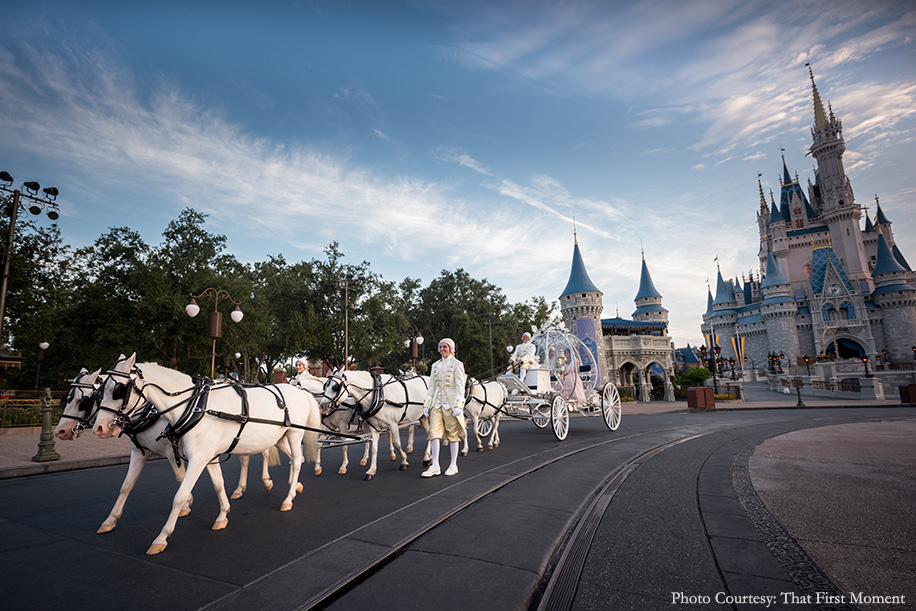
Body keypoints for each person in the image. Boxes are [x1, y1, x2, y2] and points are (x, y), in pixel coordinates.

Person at [422, 338, 467, 477]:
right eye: (440, 347)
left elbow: (460, 386)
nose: (442, 349)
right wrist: (427, 404)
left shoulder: (457, 364)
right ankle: (435, 465)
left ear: (451, 348)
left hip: (451, 405)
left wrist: (459, 404)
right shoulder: (435, 365)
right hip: (436, 404)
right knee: (433, 434)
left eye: (445, 347)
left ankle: (453, 464)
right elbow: (432, 387)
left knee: (453, 435)